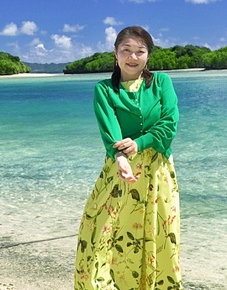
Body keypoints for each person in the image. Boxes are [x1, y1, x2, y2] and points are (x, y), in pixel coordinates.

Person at [75, 26, 182, 290]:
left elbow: (169, 123)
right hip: (119, 168)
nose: (132, 57)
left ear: (148, 55)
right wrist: (120, 157)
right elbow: (109, 128)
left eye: (140, 51)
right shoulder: (104, 89)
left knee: (158, 235)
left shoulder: (161, 82)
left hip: (156, 171)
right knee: (99, 234)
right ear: (115, 53)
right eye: (126, 50)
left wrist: (139, 143)